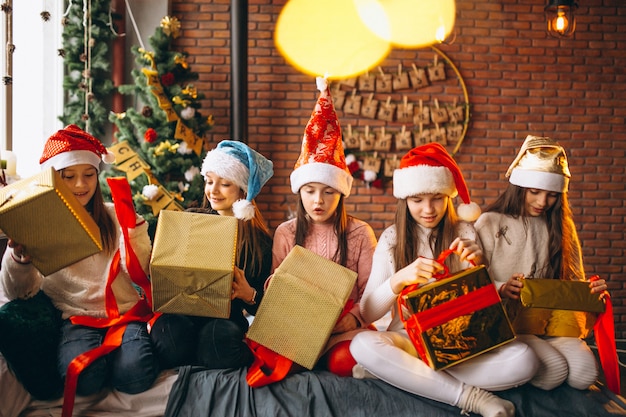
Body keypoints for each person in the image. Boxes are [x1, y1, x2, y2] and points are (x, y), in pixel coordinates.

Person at [349, 143, 540, 417]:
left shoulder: (464, 231)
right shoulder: (392, 238)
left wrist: (481, 269)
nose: (428, 209)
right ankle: (473, 398)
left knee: (526, 360)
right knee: (362, 345)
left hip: (462, 339)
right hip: (409, 340)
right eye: (417, 200)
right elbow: (367, 312)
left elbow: (480, 304)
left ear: (448, 196)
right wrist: (399, 279)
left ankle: (401, 374)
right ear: (404, 200)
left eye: (437, 198)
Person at [0, 125, 159, 398]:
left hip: (125, 316)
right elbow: (15, 293)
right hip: (75, 319)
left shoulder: (113, 216)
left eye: (89, 175)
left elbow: (142, 274)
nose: (80, 185)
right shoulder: (40, 222)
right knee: (84, 378)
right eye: (69, 176)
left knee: (135, 376)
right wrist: (20, 259)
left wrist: (135, 234)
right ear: (54, 178)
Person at [474, 135, 608, 391]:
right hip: (511, 323)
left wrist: (591, 293)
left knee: (585, 374)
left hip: (554, 322)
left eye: (551, 195)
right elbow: (475, 282)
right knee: (553, 372)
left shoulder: (561, 225)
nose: (542, 202)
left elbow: (574, 281)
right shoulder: (489, 223)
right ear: (519, 187)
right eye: (534, 192)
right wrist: (502, 286)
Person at [272, 76, 377, 377]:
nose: (318, 200)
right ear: (299, 192)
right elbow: (272, 287)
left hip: (344, 328)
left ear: (341, 193)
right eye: (310, 191)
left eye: (328, 191)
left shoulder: (359, 233)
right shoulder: (286, 233)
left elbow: (371, 289)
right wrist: (278, 284)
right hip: (297, 327)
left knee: (345, 363)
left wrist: (354, 319)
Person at [150, 140, 274, 370]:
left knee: (218, 342)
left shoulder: (259, 243)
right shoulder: (192, 219)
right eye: (209, 181)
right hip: (182, 312)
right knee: (168, 338)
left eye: (225, 183)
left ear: (242, 189)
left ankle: (203, 352)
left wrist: (249, 294)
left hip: (225, 319)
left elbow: (264, 310)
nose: (213, 191)